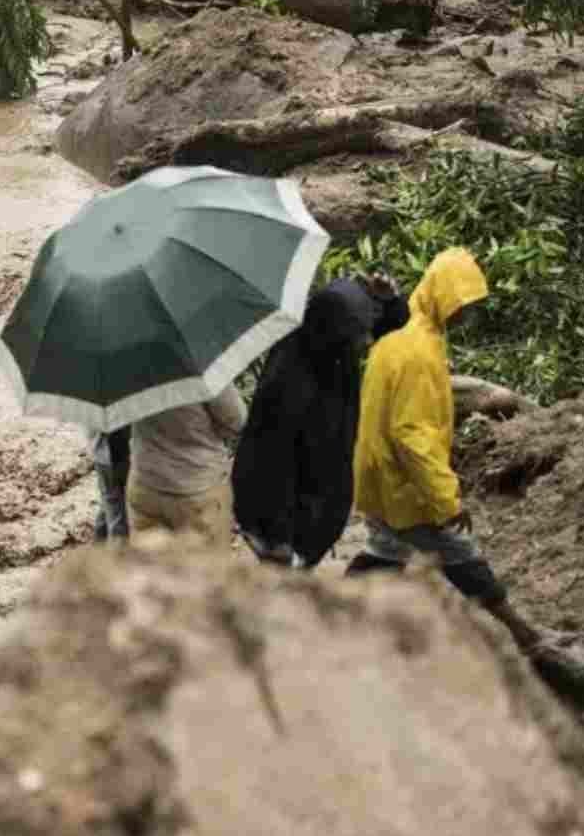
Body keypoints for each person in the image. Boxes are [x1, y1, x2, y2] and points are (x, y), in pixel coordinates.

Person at [345, 249, 549, 653]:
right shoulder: (418, 351)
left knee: (386, 550)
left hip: (378, 470)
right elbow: (413, 435)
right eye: (462, 305)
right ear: (442, 296)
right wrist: (446, 499)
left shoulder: (407, 334)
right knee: (458, 550)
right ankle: (524, 634)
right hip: (403, 481)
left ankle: (330, 614)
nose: (465, 315)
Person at [232, 275, 404, 569]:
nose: (364, 341)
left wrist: (390, 302)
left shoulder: (333, 349)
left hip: (314, 504)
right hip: (281, 518)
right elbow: (271, 463)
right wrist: (279, 538)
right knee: (281, 597)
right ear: (336, 329)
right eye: (357, 334)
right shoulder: (289, 379)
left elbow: (391, 331)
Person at [128, 386, 247, 545]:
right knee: (204, 566)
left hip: (145, 484)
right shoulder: (200, 371)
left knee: (150, 566)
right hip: (196, 488)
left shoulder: (130, 369)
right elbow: (237, 420)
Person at [89, 426, 131, 543]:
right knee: (116, 513)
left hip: (101, 456)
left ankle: (98, 546)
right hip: (116, 456)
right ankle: (117, 555)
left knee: (109, 501)